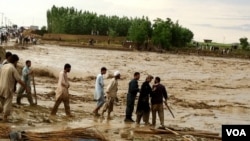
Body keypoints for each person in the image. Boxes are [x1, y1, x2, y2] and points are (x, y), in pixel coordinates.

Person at [0, 54, 29, 121]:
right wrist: (26, 87)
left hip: (0, 86)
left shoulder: (3, 66)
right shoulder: (12, 68)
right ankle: (5, 117)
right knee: (8, 102)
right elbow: (19, 80)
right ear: (15, 61)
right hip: (8, 87)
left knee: (1, 101)